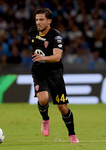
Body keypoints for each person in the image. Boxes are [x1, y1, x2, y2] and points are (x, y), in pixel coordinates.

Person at [29, 8, 79, 143]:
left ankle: (72, 134)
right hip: (39, 72)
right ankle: (45, 119)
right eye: (37, 19)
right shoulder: (33, 32)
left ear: (49, 21)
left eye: (41, 20)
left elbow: (57, 57)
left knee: (62, 107)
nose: (38, 22)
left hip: (54, 74)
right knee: (43, 98)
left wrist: (42, 57)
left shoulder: (56, 36)